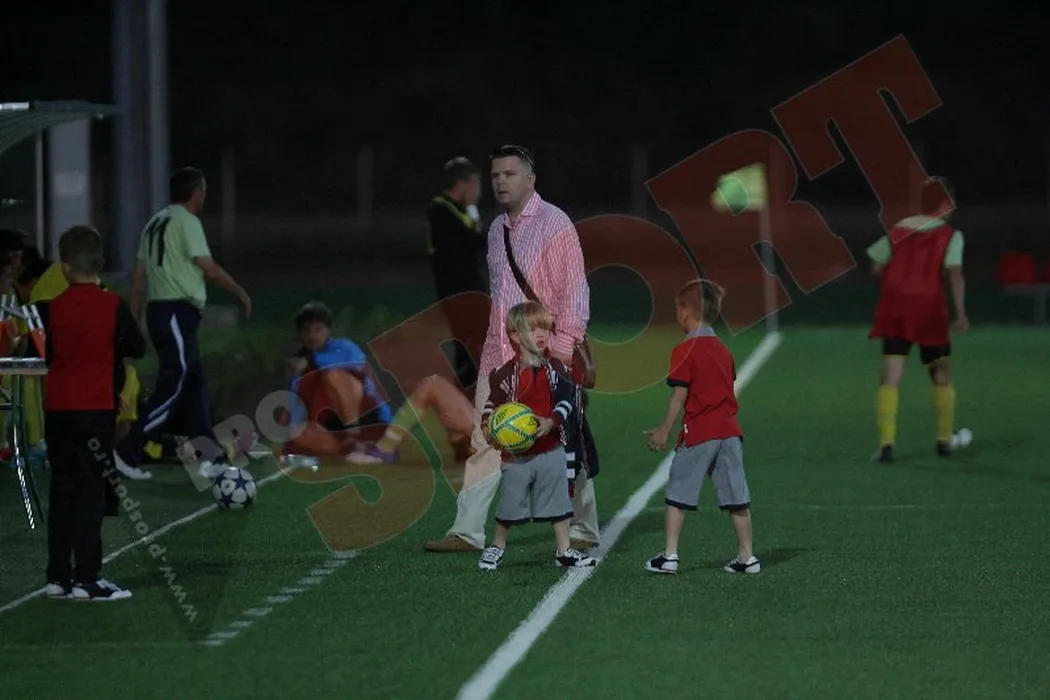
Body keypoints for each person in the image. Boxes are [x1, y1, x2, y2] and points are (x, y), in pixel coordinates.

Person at [424, 144, 600, 553]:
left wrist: (560, 352)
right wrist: (490, 357)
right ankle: (467, 531)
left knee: (563, 440)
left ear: (530, 179)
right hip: (500, 356)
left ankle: (584, 528)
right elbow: (499, 300)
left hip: (547, 357)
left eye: (510, 174)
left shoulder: (555, 223)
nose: (500, 181)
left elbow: (576, 293)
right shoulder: (495, 230)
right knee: (484, 439)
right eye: (495, 175)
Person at [115, 166, 252, 481]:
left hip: (162, 312)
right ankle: (127, 451)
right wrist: (240, 292)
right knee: (174, 384)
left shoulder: (154, 222)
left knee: (194, 386)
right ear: (196, 192)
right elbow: (209, 268)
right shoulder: (187, 221)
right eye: (204, 191)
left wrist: (134, 317)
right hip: (176, 311)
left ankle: (211, 457)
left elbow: (138, 276)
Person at [39, 225, 146, 600]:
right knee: (91, 492)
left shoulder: (50, 308)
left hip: (58, 410)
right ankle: (87, 577)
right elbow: (138, 347)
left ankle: (57, 576)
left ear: (65, 266)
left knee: (62, 489)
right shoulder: (112, 306)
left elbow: (46, 354)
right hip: (95, 409)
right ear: (99, 263)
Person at [642, 279, 760, 575]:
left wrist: (664, 429)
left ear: (685, 313)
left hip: (699, 432)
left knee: (678, 494)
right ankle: (747, 557)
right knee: (737, 498)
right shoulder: (724, 350)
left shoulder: (684, 350)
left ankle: (670, 555)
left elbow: (678, 396)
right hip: (730, 433)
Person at [477, 301, 595, 570]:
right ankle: (496, 546)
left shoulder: (556, 368)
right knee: (510, 502)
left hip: (551, 449)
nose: (541, 334)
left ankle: (564, 550)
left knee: (559, 501)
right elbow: (492, 404)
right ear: (515, 337)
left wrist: (552, 420)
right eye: (533, 329)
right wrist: (487, 425)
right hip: (516, 455)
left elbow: (567, 399)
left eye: (544, 328)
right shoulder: (504, 374)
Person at [867, 177, 969, 463]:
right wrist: (961, 313)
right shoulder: (950, 235)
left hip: (896, 305)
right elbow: (955, 273)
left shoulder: (899, 229)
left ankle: (886, 444)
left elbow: (876, 265)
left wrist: (899, 274)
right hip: (929, 307)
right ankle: (944, 440)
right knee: (940, 372)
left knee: (891, 373)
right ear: (944, 204)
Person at [427, 157, 486, 389]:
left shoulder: (461, 210)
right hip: (456, 290)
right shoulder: (440, 210)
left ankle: (469, 391)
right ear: (463, 183)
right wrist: (471, 210)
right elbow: (472, 243)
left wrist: (471, 208)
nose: (479, 189)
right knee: (468, 345)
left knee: (474, 344)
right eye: (476, 183)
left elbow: (479, 242)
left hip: (471, 289)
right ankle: (463, 390)